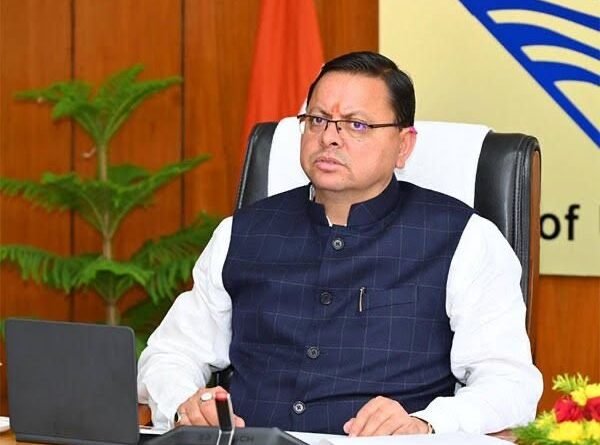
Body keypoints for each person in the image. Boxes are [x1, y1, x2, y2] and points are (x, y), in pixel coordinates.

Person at [138, 51, 542, 436]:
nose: (329, 137)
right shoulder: (240, 233)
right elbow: (169, 355)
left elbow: (510, 384)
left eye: (356, 125)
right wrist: (186, 403)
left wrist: (425, 422)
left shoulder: (465, 239)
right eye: (317, 120)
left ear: (404, 145)